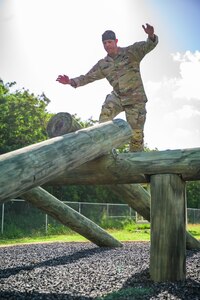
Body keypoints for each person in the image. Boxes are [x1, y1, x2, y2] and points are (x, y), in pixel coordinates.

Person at [56, 23, 158, 152]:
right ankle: (105, 149)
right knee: (106, 112)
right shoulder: (103, 64)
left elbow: (148, 45)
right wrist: (71, 81)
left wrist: (151, 35)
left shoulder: (131, 52)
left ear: (116, 41)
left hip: (135, 99)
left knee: (136, 136)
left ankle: (135, 161)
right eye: (104, 43)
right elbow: (87, 77)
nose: (107, 45)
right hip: (118, 97)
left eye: (109, 42)